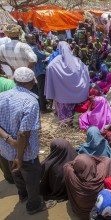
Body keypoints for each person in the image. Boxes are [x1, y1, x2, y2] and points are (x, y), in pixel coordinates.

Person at [0, 67, 55, 214]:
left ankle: (23, 195)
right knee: (32, 177)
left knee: (16, 172)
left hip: (6, 148)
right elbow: (23, 134)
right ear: (32, 82)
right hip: (25, 153)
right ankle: (34, 205)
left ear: (14, 80)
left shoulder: (2, 96)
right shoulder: (30, 102)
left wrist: (8, 139)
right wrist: (19, 156)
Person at [45, 41, 90, 125]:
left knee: (63, 115)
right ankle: (73, 124)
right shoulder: (77, 61)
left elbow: (49, 68)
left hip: (62, 96)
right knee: (74, 113)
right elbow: (85, 70)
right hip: (77, 95)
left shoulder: (56, 61)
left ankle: (64, 125)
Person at [64, 154, 111, 219]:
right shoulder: (101, 174)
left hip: (81, 211)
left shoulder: (71, 175)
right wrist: (92, 158)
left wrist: (77, 163)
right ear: (92, 164)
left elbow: (66, 165)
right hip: (98, 210)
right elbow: (107, 160)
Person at [26, 34, 49, 112]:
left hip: (32, 71)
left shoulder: (26, 48)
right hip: (39, 71)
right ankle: (43, 108)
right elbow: (43, 56)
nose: (34, 40)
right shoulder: (34, 49)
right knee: (41, 90)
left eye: (34, 38)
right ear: (27, 40)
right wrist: (42, 50)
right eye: (32, 39)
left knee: (36, 89)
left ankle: (40, 106)